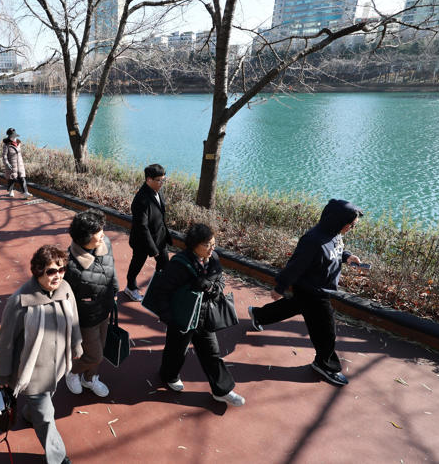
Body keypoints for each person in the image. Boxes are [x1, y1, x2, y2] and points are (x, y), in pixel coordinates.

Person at [247, 199, 363, 387]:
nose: (352, 228)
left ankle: (258, 315)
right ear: (338, 221)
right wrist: (280, 287)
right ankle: (325, 365)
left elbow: (334, 250)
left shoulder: (334, 233)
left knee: (292, 306)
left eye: (354, 225)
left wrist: (347, 256)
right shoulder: (312, 240)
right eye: (351, 224)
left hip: (317, 288)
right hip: (313, 291)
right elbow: (295, 266)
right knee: (326, 331)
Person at [0, 245, 81, 464]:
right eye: (51, 271)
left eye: (62, 270)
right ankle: (58, 458)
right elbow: (6, 341)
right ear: (38, 271)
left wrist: (76, 344)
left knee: (43, 406)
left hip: (57, 367)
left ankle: (30, 413)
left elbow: (74, 319)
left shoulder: (65, 289)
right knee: (47, 417)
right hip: (31, 373)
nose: (58, 276)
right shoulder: (20, 301)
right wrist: (2, 375)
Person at [151, 223, 245, 406]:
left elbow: (220, 282)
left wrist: (210, 287)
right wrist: (170, 319)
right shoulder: (178, 264)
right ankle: (169, 376)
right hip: (181, 318)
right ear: (194, 244)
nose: (211, 249)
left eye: (213, 244)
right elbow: (162, 292)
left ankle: (222, 390)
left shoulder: (213, 259)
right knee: (176, 351)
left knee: (212, 353)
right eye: (207, 245)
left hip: (203, 316)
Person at [63, 209, 118, 398]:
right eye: (98, 232)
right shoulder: (70, 266)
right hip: (85, 318)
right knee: (94, 355)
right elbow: (65, 300)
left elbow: (111, 267)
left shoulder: (105, 243)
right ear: (85, 237)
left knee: (101, 348)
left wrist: (115, 289)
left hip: (104, 308)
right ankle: (72, 372)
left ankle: (90, 378)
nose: (103, 234)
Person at [123, 163, 172, 302]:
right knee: (137, 264)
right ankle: (130, 288)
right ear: (148, 180)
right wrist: (152, 249)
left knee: (164, 265)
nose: (162, 183)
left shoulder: (158, 191)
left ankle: (158, 289)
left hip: (159, 238)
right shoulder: (141, 200)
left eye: (163, 180)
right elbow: (142, 227)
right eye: (159, 180)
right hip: (143, 241)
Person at [2, 127, 32, 199]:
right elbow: (4, 156)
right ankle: (10, 190)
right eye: (12, 136)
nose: (13, 138)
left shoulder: (18, 144)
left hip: (20, 164)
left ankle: (25, 193)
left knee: (22, 178)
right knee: (12, 179)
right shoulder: (6, 145)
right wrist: (7, 164)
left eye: (14, 136)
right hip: (11, 165)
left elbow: (20, 154)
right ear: (9, 137)